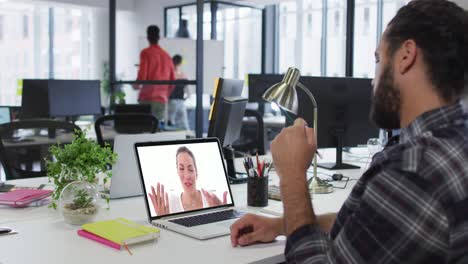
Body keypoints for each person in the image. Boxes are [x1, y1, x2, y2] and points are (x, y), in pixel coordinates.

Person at [230, 0, 468, 263]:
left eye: (378, 59)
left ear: (405, 55)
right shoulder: (454, 144)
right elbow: (373, 228)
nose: (372, 79)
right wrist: (281, 225)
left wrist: (293, 176)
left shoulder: (413, 170)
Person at [149, 146, 228, 216]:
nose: (187, 176)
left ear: (196, 173)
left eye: (190, 169)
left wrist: (224, 216)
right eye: (181, 169)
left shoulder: (212, 200)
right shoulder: (170, 204)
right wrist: (162, 219)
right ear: (177, 172)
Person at [134, 25, 175, 123]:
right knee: (157, 130)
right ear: (159, 37)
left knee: (144, 129)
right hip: (161, 99)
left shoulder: (146, 53)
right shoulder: (166, 55)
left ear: (147, 37)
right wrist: (165, 94)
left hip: (146, 98)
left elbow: (142, 76)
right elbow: (173, 81)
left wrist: (135, 85)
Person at [168, 55, 190, 130]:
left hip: (171, 101)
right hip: (180, 102)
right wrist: (185, 99)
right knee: (183, 124)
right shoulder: (183, 75)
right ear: (180, 63)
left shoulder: (169, 74)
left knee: (170, 123)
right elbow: (188, 93)